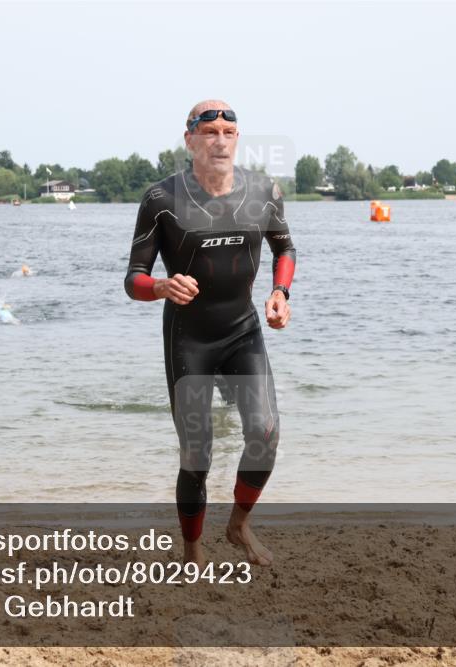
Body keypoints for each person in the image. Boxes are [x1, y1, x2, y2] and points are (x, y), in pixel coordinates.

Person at [124, 100, 295, 567]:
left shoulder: (264, 191)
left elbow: (284, 245)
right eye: (209, 131)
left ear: (237, 139)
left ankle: (239, 525)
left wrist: (281, 292)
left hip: (243, 330)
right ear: (189, 140)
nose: (219, 140)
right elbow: (132, 278)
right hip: (189, 337)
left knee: (266, 432)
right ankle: (192, 550)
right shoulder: (161, 199)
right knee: (197, 453)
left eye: (228, 131)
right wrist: (161, 285)